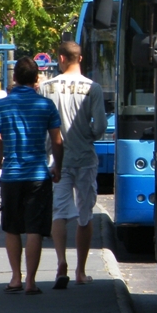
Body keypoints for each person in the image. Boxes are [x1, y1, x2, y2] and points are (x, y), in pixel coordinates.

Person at [0, 56, 63, 295]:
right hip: (38, 174)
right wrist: (57, 166)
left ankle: (15, 278)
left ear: (15, 78)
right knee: (35, 229)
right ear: (36, 79)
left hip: (11, 175)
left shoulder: (2, 105)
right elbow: (57, 141)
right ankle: (31, 280)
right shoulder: (46, 105)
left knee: (11, 227)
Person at [40, 41, 107, 288]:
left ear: (61, 58)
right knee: (84, 215)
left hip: (57, 160)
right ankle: (81, 270)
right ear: (80, 59)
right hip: (85, 158)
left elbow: (42, 125)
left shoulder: (46, 87)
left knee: (59, 212)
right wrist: (87, 134)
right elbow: (100, 126)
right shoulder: (94, 89)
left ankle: (60, 263)